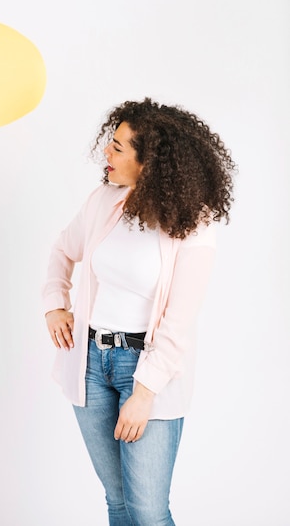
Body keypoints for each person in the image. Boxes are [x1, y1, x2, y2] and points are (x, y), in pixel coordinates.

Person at [42, 98, 236, 525]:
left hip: (147, 370)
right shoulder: (103, 201)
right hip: (90, 362)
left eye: (117, 148)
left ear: (150, 161)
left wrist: (143, 393)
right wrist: (55, 303)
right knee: (118, 501)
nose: (106, 156)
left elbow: (178, 323)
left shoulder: (194, 224)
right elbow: (63, 249)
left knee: (147, 511)